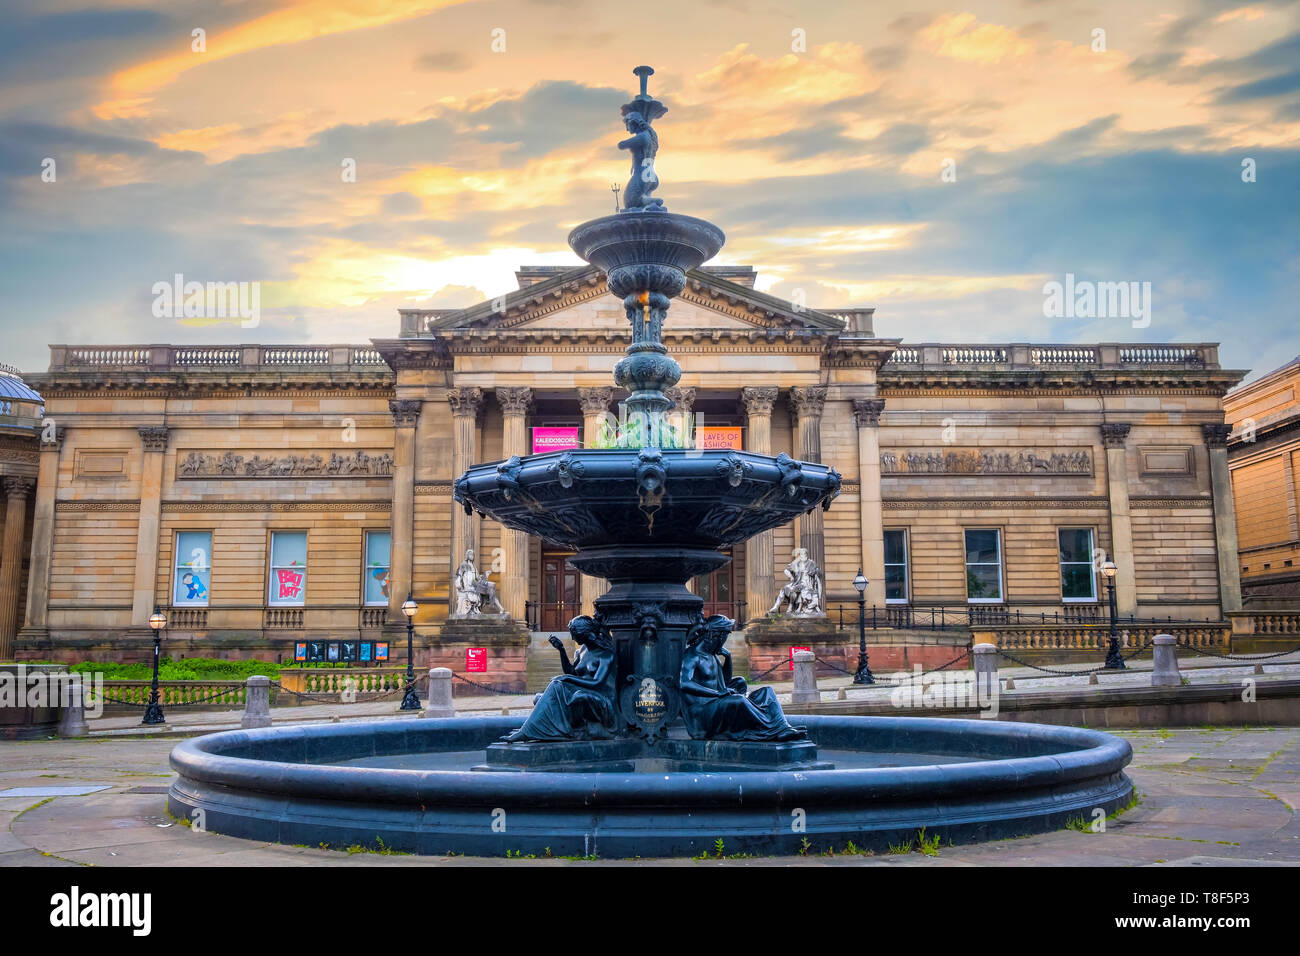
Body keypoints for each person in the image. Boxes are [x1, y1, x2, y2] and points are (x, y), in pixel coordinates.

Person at [679, 615, 805, 741]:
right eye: (725, 636)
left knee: (767, 692)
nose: (724, 641)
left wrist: (727, 658)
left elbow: (725, 682)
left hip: (715, 705)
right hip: (702, 714)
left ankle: (783, 727)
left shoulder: (712, 655)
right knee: (739, 700)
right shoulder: (692, 655)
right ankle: (774, 730)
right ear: (716, 636)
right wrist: (717, 694)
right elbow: (684, 683)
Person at [504, 615, 618, 742]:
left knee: (574, 695)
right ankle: (536, 731)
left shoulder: (606, 655)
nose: (573, 637)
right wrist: (561, 650)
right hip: (582, 691)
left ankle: (528, 732)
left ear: (585, 633)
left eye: (574, 633)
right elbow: (571, 672)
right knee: (539, 698)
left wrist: (567, 679)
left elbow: (597, 683)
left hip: (602, 699)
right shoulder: (582, 651)